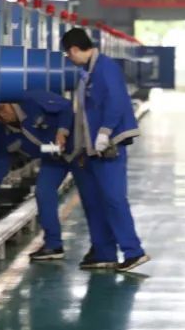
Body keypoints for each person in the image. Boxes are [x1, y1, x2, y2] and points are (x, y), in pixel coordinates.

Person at [0, 90, 119, 267]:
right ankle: (53, 245)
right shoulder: (4, 134)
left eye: (2, 109)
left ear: (10, 103)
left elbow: (65, 107)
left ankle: (103, 250)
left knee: (91, 199)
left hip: (78, 151)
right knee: (43, 193)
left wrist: (62, 131)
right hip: (54, 160)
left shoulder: (31, 99)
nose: (2, 116)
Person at [61, 27, 149, 272]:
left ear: (74, 49)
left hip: (108, 146)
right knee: (94, 201)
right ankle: (104, 251)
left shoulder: (105, 67)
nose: (69, 59)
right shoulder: (87, 72)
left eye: (68, 54)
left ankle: (133, 251)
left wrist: (105, 131)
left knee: (113, 199)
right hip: (91, 149)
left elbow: (117, 100)